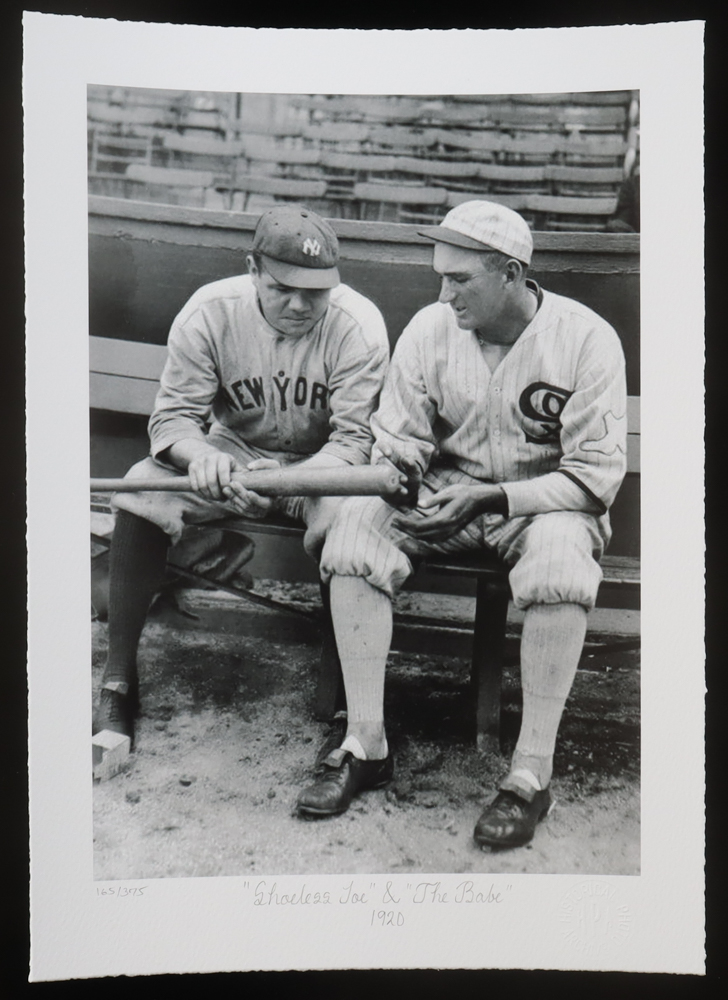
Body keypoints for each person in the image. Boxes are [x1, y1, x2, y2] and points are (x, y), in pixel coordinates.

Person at [297, 200, 628, 850]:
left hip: (540, 504)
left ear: (511, 273)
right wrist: (404, 476)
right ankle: (365, 741)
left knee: (563, 561)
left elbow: (594, 477)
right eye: (440, 277)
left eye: (460, 280)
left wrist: (495, 499)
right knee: (356, 533)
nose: (444, 294)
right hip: (446, 497)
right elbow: (397, 439)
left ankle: (531, 773)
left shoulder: (585, 338)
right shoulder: (430, 329)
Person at [94, 205, 389, 743]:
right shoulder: (210, 311)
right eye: (283, 288)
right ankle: (117, 681)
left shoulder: (358, 325)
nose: (301, 304)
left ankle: (349, 697)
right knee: (142, 491)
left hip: (320, 465)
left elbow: (356, 440)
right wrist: (198, 456)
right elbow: (174, 417)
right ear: (253, 268)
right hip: (232, 451)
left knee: (349, 522)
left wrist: (285, 480)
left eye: (315, 291)